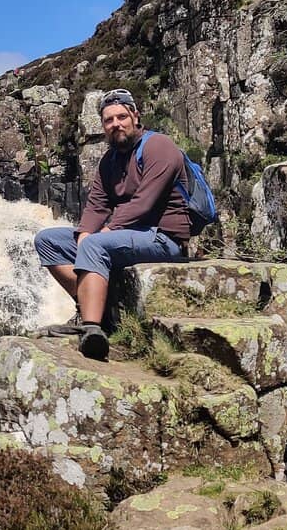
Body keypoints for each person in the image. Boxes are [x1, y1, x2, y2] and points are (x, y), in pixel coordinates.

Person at [33, 88, 189, 360]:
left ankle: (92, 329)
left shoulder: (159, 147)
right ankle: (94, 306)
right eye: (109, 120)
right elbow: (97, 205)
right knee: (48, 241)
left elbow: (144, 202)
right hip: (128, 236)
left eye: (121, 117)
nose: (116, 124)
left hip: (164, 238)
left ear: (135, 117)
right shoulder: (110, 161)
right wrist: (83, 234)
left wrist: (98, 235)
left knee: (94, 245)